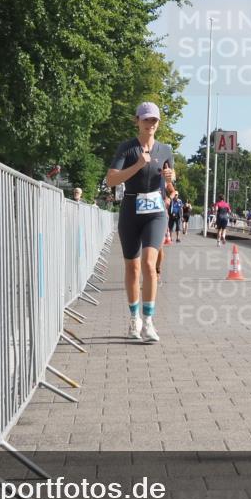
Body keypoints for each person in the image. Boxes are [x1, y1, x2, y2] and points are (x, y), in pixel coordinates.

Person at [105, 102, 175, 343]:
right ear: (137, 121)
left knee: (149, 264)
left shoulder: (165, 150)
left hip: (156, 212)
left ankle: (148, 322)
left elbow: (170, 183)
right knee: (133, 268)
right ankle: (134, 319)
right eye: (146, 119)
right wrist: (137, 165)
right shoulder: (127, 148)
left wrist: (170, 178)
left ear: (158, 123)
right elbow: (111, 180)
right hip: (131, 211)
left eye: (154, 120)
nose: (150, 124)